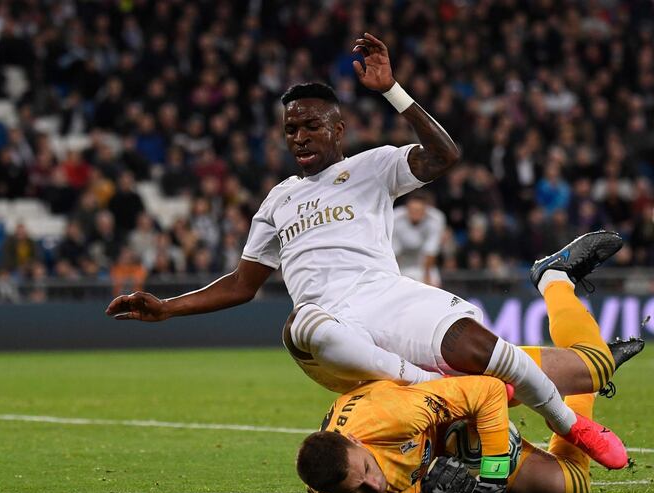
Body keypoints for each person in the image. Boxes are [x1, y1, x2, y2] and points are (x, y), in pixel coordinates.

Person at [106, 33, 625, 468]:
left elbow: (445, 155)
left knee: (487, 349)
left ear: (338, 129)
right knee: (302, 323)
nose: (300, 136)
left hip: (385, 297)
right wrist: (168, 307)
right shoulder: (278, 199)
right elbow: (243, 284)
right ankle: (440, 388)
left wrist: (393, 91)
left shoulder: (373, 166)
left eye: (311, 125)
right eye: (291, 128)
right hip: (332, 326)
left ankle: (569, 424)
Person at [296, 274, 644, 493]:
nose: (374, 487)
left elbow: (487, 391)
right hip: (443, 424)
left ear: (357, 441)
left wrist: (493, 474)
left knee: (593, 366)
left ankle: (553, 277)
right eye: (357, 492)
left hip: (452, 374)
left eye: (369, 472)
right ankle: (583, 390)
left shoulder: (393, 415)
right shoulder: (332, 491)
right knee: (574, 485)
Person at [392, 191, 446, 286]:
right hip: (401, 263)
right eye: (412, 210)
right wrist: (395, 275)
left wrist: (427, 276)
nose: (415, 214)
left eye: (419, 210)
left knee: (434, 286)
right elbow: (394, 251)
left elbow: (431, 251)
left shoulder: (436, 219)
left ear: (425, 209)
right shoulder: (395, 218)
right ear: (407, 208)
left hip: (422, 263)